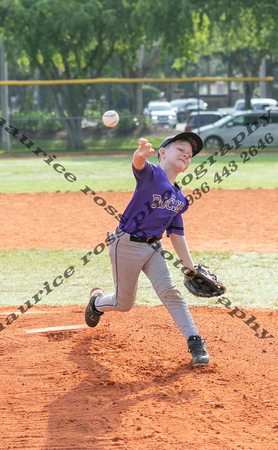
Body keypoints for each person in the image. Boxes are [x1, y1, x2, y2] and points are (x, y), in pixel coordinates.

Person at [85, 132, 210, 367]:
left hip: (154, 247)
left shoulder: (180, 198)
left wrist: (190, 268)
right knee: (124, 304)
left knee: (171, 293)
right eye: (180, 149)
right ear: (162, 152)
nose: (186, 155)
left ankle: (195, 343)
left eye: (190, 154)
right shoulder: (152, 174)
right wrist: (140, 154)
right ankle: (96, 303)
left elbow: (176, 234)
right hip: (126, 245)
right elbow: (139, 166)